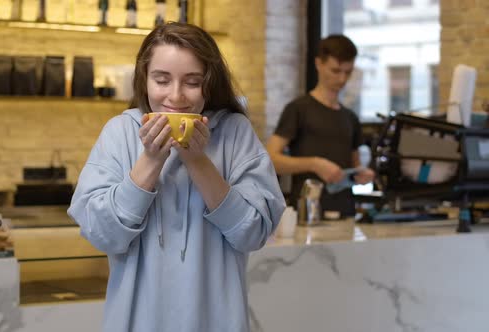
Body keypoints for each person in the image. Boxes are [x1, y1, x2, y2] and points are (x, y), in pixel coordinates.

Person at [68, 22, 285, 332]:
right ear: (144, 80)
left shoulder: (235, 133)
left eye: (192, 82)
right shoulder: (119, 132)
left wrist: (197, 160)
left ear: (209, 84)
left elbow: (253, 234)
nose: (176, 96)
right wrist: (151, 160)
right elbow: (103, 234)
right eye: (162, 80)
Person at [266, 34, 375, 218]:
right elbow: (270, 160)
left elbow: (355, 166)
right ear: (319, 64)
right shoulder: (298, 109)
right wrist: (315, 164)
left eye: (348, 72)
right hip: (307, 215)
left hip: (346, 214)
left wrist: (362, 175)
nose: (342, 79)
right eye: (335, 70)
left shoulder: (351, 118)